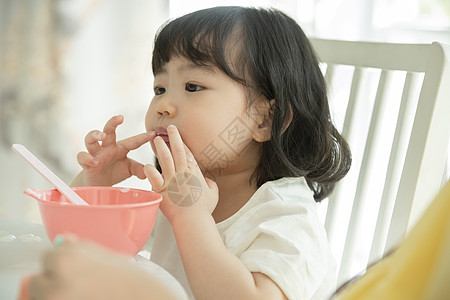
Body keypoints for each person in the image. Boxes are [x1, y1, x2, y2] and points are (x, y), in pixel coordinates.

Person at [28, 6, 351, 300]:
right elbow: (82, 250)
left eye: (193, 87)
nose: (162, 107)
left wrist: (190, 218)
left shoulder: (287, 220)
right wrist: (92, 186)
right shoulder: (180, 190)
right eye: (160, 89)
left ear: (265, 120)